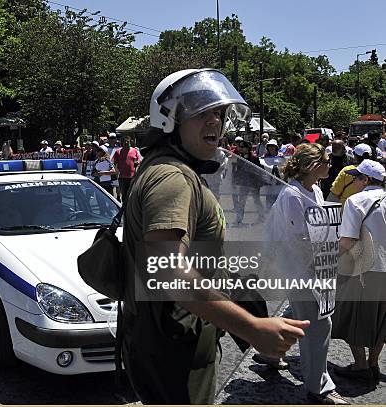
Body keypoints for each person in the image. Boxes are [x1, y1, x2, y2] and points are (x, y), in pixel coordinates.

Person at [121, 68, 309, 404]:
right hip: (173, 344)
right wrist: (252, 328)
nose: (215, 122)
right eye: (201, 112)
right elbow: (167, 272)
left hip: (170, 337)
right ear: (170, 120)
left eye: (219, 114)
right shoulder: (172, 179)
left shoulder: (169, 168)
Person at [269, 143, 348, 404]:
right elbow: (299, 237)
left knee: (305, 322)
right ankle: (319, 387)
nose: (330, 163)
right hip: (301, 270)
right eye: (326, 160)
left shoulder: (314, 188)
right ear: (311, 166)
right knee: (318, 326)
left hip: (316, 268)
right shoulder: (293, 194)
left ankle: (270, 351)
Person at [332, 160, 386, 382]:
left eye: (356, 177)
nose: (353, 180)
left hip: (363, 268)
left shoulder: (356, 201)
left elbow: (348, 240)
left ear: (367, 180)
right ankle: (373, 363)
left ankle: (361, 365)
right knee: (381, 319)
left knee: (350, 315)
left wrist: (330, 258)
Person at [112, 135, 141, 202]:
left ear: (130, 142)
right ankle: (125, 210)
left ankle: (131, 209)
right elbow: (114, 163)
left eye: (128, 142)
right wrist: (116, 171)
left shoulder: (135, 151)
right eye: (125, 142)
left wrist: (137, 161)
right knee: (124, 195)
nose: (126, 143)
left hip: (132, 177)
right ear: (122, 143)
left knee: (132, 194)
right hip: (122, 177)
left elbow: (139, 159)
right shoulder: (118, 152)